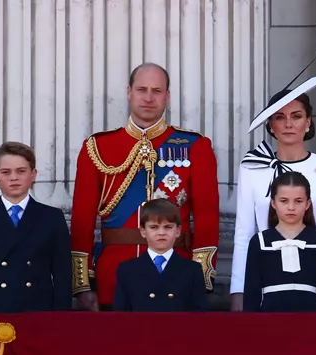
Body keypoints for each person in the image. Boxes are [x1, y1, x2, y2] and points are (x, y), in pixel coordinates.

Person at [70, 62, 219, 311]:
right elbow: (82, 220)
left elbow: (207, 217)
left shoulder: (195, 146)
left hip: (177, 275)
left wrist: (201, 278)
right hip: (113, 276)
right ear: (129, 92)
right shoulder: (96, 147)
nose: (149, 97)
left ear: (167, 96)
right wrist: (83, 284)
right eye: (142, 89)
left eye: (157, 91)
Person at [230, 73, 316, 311]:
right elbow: (243, 233)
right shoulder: (252, 168)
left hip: (315, 274)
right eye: (279, 117)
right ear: (270, 126)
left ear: (308, 122)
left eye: (296, 116)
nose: (288, 124)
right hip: (266, 277)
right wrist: (239, 290)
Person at [0, 141, 72, 312]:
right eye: (6, 172)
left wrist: (60, 319)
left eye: (21, 171)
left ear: (33, 174)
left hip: (38, 312)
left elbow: (62, 275)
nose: (14, 177)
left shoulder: (52, 217)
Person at [243, 172, 316, 312]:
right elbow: (251, 295)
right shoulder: (259, 242)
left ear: (307, 204)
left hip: (311, 322)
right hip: (269, 323)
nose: (291, 207)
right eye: (284, 201)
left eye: (298, 201)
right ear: (273, 203)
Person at [113, 199, 207, 311]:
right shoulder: (127, 270)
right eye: (154, 227)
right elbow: (121, 316)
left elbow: (199, 316)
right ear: (143, 231)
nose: (161, 232)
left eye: (168, 227)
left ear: (178, 231)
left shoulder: (192, 270)